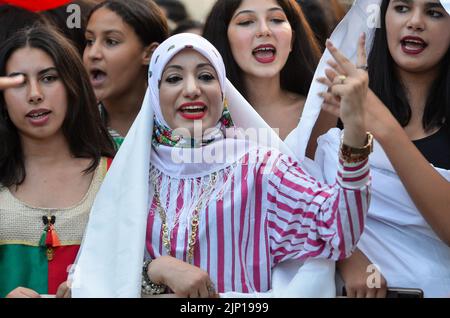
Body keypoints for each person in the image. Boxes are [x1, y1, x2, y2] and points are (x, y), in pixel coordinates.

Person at [71, 33, 373, 297]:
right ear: (154, 93)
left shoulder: (263, 168)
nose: (192, 89)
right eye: (174, 78)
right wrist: (157, 269)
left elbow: (338, 232)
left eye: (206, 76)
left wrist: (356, 133)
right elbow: (99, 276)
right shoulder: (133, 175)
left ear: (223, 92)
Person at [314, 0, 450, 297]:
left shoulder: (373, 115)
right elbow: (306, 202)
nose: (415, 22)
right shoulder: (337, 106)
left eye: (434, 12)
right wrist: (345, 255)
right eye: (402, 8)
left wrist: (385, 127)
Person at [0, 25, 115, 298]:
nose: (34, 94)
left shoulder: (117, 170)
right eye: (17, 82)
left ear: (73, 85)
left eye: (49, 78)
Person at [203, 0, 336, 158]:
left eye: (276, 20)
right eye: (246, 22)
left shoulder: (320, 111)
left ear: (292, 40)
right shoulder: (205, 121)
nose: (264, 30)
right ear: (225, 39)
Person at [83, 0, 169, 149]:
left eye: (111, 41)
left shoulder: (175, 127)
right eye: (90, 41)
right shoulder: (73, 129)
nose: (93, 53)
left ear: (150, 53)